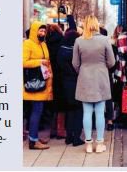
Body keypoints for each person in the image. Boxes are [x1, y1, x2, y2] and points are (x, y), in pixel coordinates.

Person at [73, 15, 116, 153]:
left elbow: (75, 63)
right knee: (99, 112)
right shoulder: (104, 40)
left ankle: (88, 144)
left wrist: (83, 70)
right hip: (101, 78)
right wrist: (102, 67)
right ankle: (99, 143)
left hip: (85, 78)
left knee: (86, 112)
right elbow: (112, 62)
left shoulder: (79, 41)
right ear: (96, 25)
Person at [23, 21, 54, 150]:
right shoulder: (27, 44)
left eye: (44, 31)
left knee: (38, 111)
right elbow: (23, 62)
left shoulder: (43, 44)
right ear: (35, 31)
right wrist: (39, 61)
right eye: (40, 31)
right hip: (34, 84)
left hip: (42, 82)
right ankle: (33, 141)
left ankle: (34, 137)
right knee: (36, 111)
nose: (42, 33)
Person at [57, 19, 85, 146]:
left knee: (69, 110)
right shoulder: (77, 51)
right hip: (77, 83)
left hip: (65, 83)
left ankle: (68, 136)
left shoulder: (61, 50)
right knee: (78, 110)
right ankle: (76, 138)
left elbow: (59, 66)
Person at [46, 24, 65, 140]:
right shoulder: (62, 41)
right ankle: (60, 130)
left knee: (51, 104)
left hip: (48, 75)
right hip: (60, 75)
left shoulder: (45, 42)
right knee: (61, 104)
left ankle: (52, 130)